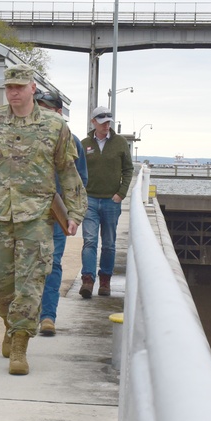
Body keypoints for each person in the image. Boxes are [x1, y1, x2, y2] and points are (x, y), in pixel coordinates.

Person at [0, 64, 86, 375]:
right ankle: (9, 321)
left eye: (20, 86)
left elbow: (68, 171)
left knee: (31, 282)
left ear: (32, 88)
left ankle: (19, 343)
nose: (13, 92)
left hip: (37, 217)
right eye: (9, 87)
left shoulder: (55, 126)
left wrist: (76, 212)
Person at [34, 91, 88, 337]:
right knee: (26, 266)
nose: (42, 111)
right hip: (27, 214)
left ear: (58, 112)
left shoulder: (72, 141)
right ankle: (28, 313)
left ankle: (48, 316)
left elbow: (79, 180)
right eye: (39, 107)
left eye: (47, 108)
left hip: (55, 215)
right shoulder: (26, 137)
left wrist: (72, 213)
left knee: (52, 264)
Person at [79, 106, 133, 298]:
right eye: (102, 123)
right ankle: (87, 280)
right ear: (93, 122)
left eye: (108, 122)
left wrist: (121, 193)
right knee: (90, 241)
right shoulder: (84, 144)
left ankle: (105, 281)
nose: (106, 126)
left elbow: (128, 170)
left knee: (109, 243)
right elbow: (77, 172)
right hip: (90, 200)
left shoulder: (120, 144)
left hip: (111, 200)